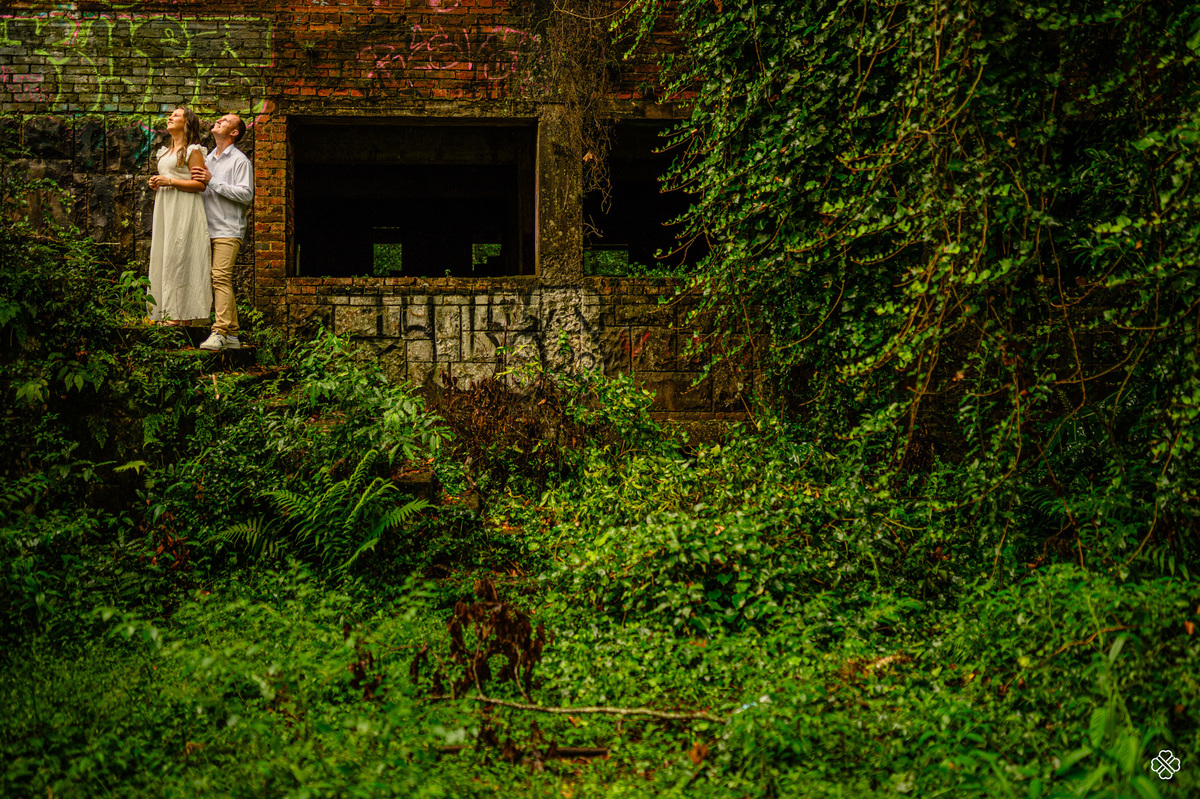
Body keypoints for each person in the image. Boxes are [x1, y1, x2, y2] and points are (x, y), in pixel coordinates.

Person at [191, 113, 254, 351]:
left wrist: (212, 181)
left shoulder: (240, 161)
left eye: (225, 120)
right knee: (217, 279)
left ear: (234, 132)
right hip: (206, 227)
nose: (218, 120)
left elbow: (247, 195)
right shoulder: (207, 158)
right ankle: (233, 336)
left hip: (228, 229)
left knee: (220, 277)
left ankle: (219, 331)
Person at [148, 107, 210, 325]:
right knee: (166, 255)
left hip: (185, 208)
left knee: (180, 257)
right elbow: (168, 176)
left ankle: (179, 315)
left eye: (176, 115)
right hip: (166, 207)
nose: (170, 117)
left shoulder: (193, 150)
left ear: (187, 123)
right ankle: (166, 310)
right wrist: (157, 182)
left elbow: (200, 184)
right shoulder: (165, 152)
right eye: (170, 114)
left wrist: (170, 181)